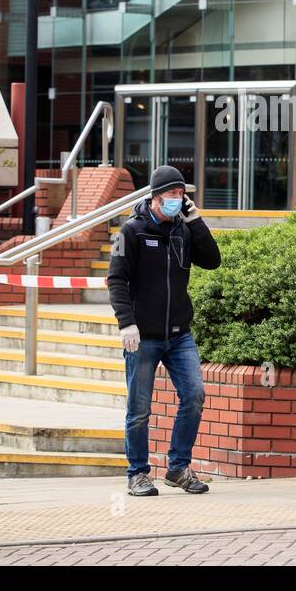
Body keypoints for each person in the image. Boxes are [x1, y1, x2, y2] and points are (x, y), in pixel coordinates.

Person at [108, 164, 221, 496]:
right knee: (140, 407)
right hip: (143, 335)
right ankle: (138, 473)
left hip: (179, 334)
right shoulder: (132, 231)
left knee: (194, 395)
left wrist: (196, 222)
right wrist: (126, 322)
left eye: (182, 194)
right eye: (173, 194)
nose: (179, 199)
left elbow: (213, 261)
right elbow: (116, 280)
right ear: (156, 197)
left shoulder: (183, 229)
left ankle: (178, 467)